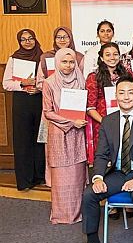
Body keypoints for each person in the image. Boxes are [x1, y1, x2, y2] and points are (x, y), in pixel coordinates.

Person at [71, 76, 133, 243]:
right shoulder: (108, 121)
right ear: (116, 96)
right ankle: (92, 242)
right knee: (89, 194)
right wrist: (98, 177)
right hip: (119, 173)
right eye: (122, 93)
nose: (126, 97)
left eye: (130, 92)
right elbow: (101, 154)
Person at [41, 48, 88, 224]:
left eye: (71, 62)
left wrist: (78, 121)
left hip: (77, 133)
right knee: (61, 174)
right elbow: (48, 112)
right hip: (59, 133)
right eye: (64, 62)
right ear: (57, 62)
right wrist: (71, 122)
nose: (68, 66)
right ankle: (61, 214)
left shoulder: (80, 80)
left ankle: (78, 212)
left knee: (77, 173)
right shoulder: (49, 83)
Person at [2, 29, 46, 190]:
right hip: (21, 103)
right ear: (19, 42)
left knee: (39, 140)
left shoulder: (42, 57)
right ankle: (25, 180)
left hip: (38, 101)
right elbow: (6, 84)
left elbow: (49, 80)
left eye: (30, 38)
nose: (28, 42)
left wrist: (39, 88)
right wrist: (23, 83)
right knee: (23, 140)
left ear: (35, 39)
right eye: (23, 39)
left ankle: (40, 176)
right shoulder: (14, 58)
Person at [85, 42, 132, 166]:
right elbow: (90, 108)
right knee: (105, 162)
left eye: (115, 54)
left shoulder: (127, 75)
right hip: (103, 124)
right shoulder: (94, 77)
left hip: (126, 123)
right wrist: (106, 122)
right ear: (101, 57)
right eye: (108, 54)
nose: (112, 57)